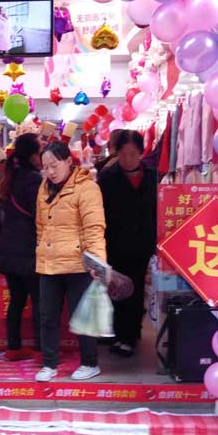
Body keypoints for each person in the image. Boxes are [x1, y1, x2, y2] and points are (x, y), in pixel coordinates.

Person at [35, 141, 106, 382]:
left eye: (54, 166)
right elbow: (40, 226)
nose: (50, 172)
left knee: (82, 316)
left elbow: (94, 228)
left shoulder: (87, 188)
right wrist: (40, 249)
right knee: (47, 316)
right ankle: (49, 364)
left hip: (78, 264)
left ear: (68, 161)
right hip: (49, 262)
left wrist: (97, 263)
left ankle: (90, 363)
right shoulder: (44, 188)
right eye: (45, 167)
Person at [98, 130, 157, 357]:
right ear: (116, 153)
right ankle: (118, 333)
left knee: (135, 290)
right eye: (123, 154)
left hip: (143, 244)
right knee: (115, 289)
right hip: (115, 242)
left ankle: (129, 336)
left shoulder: (152, 176)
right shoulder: (107, 177)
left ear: (141, 153)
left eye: (133, 154)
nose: (128, 159)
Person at [0, 133, 42, 361]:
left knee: (16, 300)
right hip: (28, 251)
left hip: (8, 250)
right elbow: (39, 213)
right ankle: (42, 350)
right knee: (40, 301)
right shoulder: (33, 179)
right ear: (33, 155)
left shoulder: (11, 176)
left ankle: (13, 347)